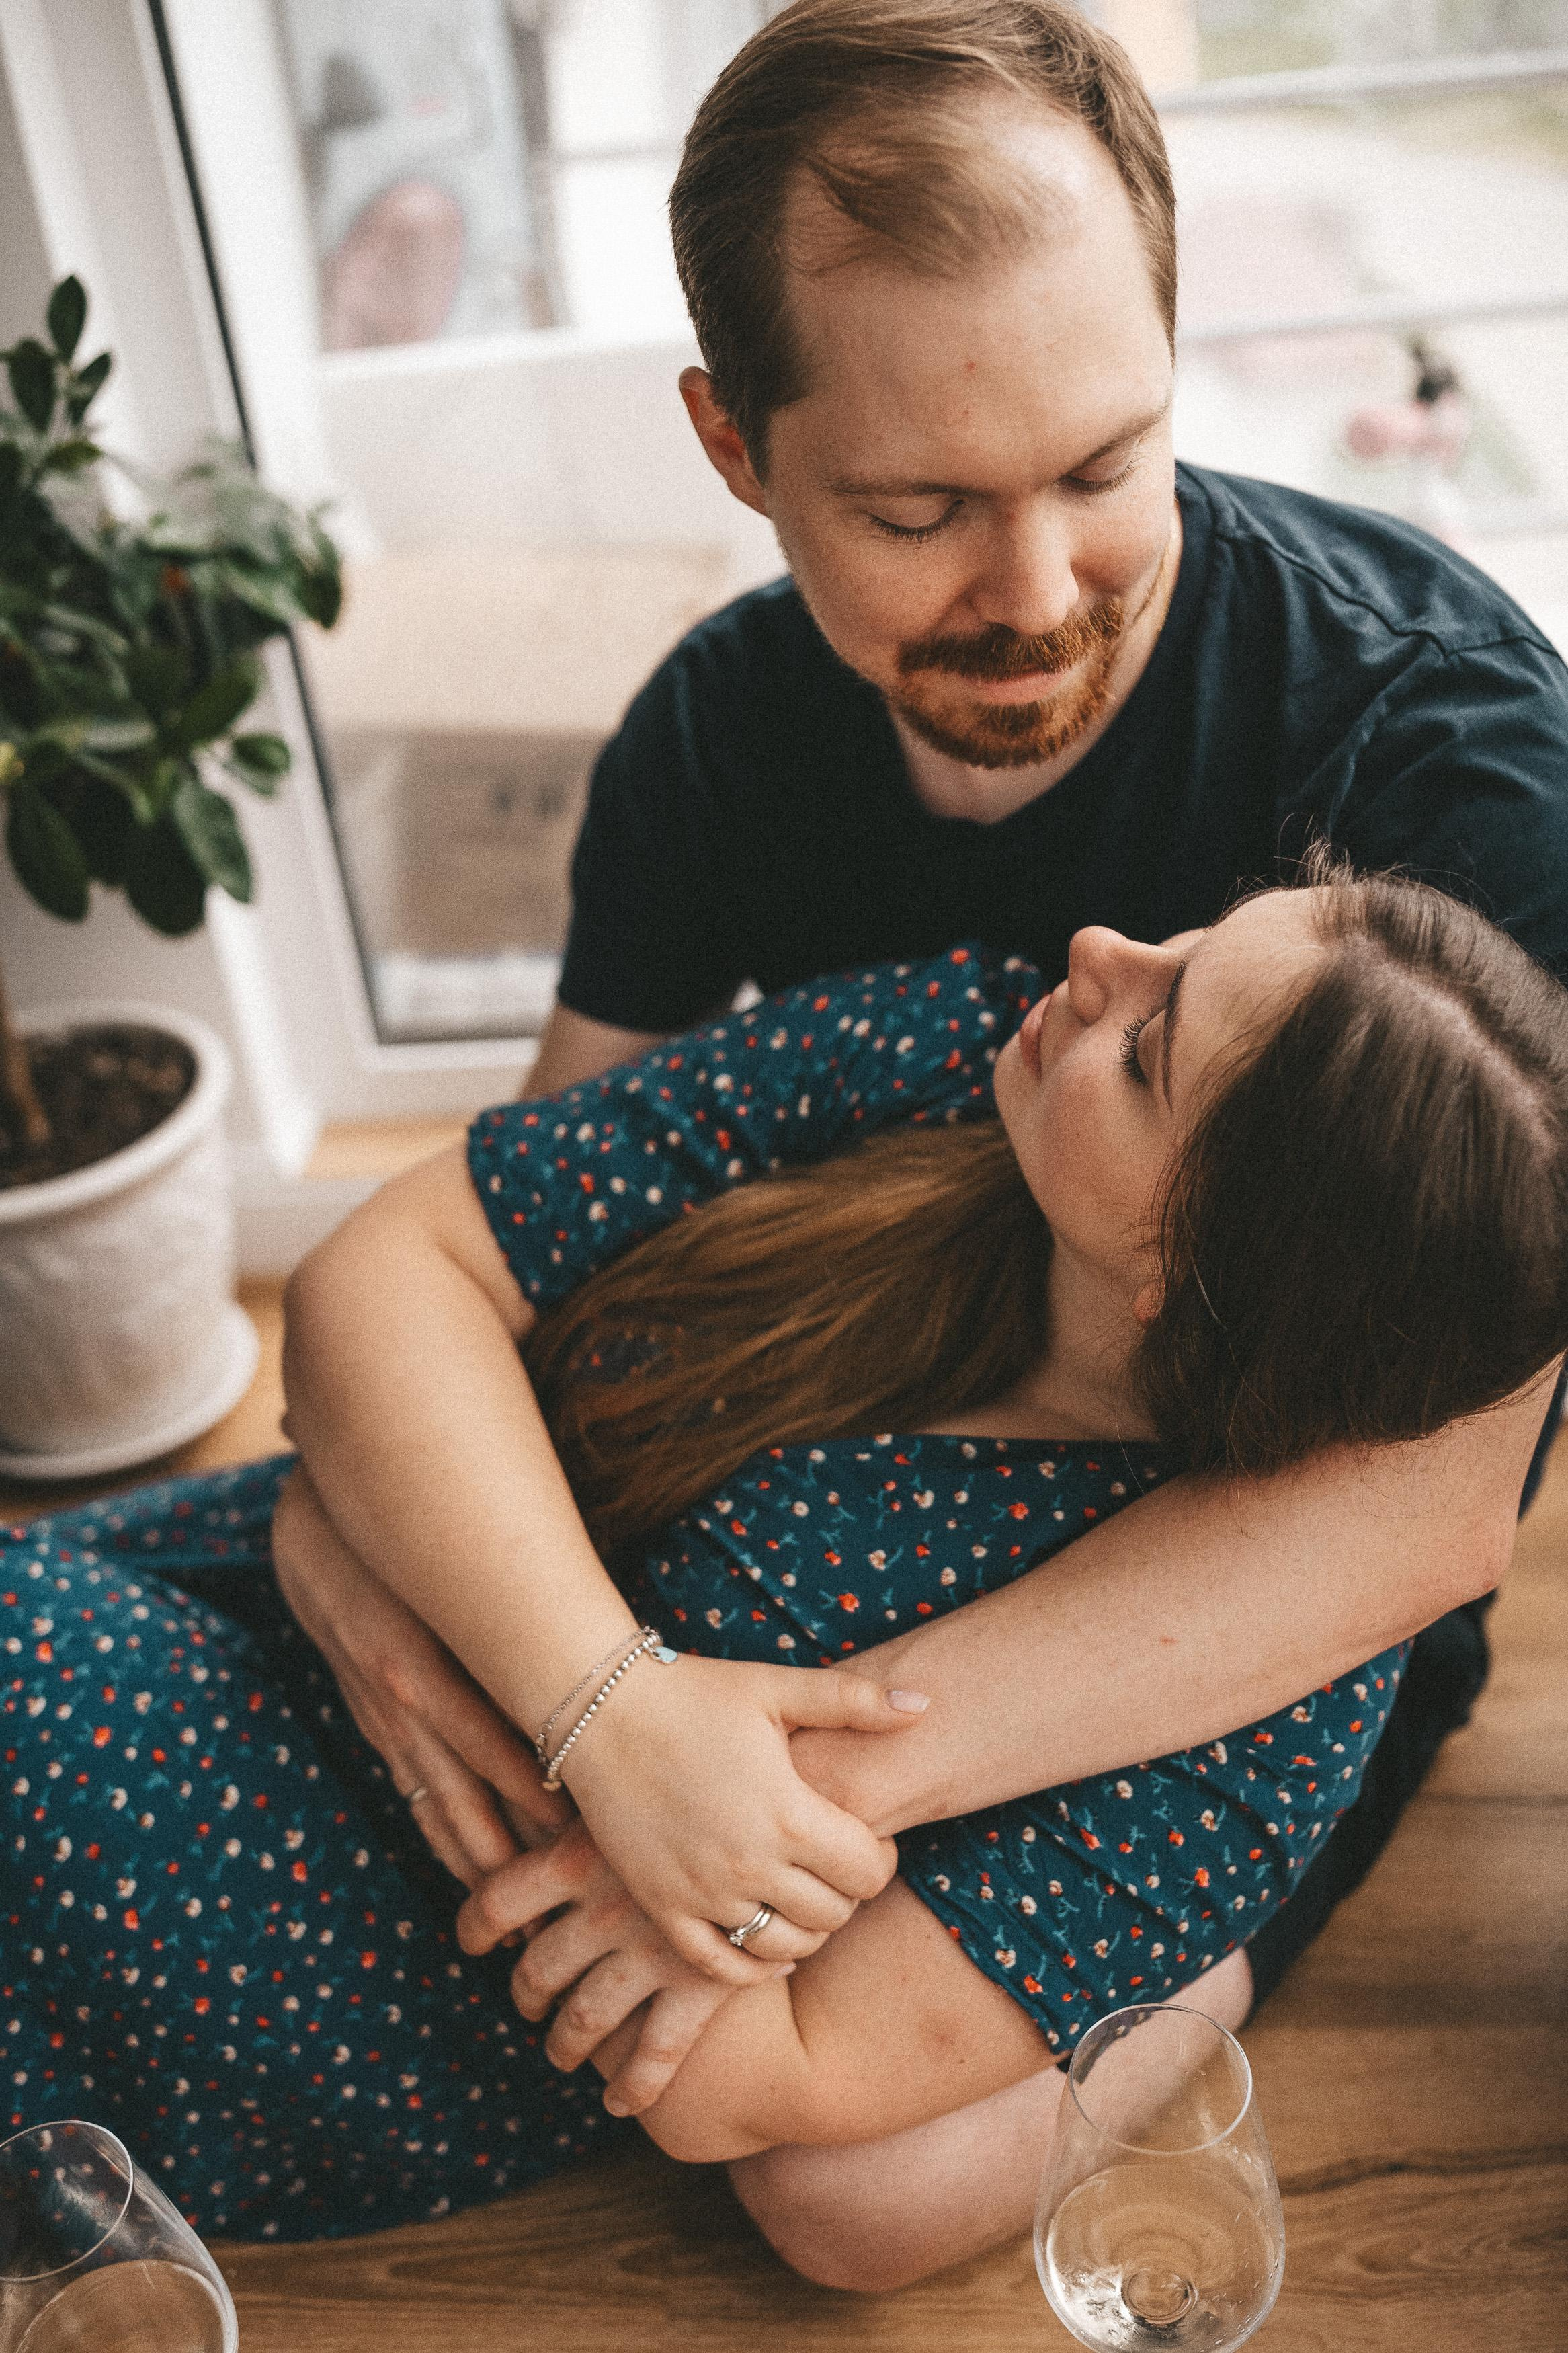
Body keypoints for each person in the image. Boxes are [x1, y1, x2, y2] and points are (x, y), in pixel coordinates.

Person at [3, 865, 1564, 2280]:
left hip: (372, 1939)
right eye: (1190, 936)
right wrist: (614, 1716)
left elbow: (747, 2074)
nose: (1100, 950)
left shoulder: (1258, 1718)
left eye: (1151, 1051)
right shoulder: (951, 1045)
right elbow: (389, 1273)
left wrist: (404, 1518)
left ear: (1186, 1270)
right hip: (233, 1579)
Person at [511, 0, 1568, 2003]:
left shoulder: (1457, 766)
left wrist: (749, 1788)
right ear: (735, 447)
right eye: (914, 514)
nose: (1037, 589)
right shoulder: (717, 736)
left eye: (1104, 465)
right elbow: (506, 1241)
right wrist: (556, 1680)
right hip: (851, 1493)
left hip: (1247, 1650)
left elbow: (1420, 1520)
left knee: (862, 2147)